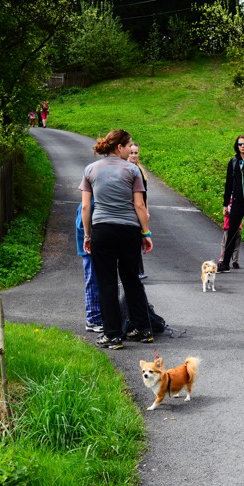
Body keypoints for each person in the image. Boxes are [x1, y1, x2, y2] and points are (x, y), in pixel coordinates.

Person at [79, 129, 154, 349]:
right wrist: (146, 233)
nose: (132, 149)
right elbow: (139, 205)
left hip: (102, 230)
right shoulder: (133, 170)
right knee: (132, 279)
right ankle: (143, 328)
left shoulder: (91, 169)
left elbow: (86, 206)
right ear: (119, 147)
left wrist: (87, 234)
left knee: (107, 283)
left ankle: (112, 335)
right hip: (129, 230)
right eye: (129, 145)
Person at [218, 134, 244, 275]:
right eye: (239, 144)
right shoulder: (234, 161)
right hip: (237, 202)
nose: (242, 147)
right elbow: (228, 184)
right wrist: (225, 204)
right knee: (232, 231)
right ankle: (225, 264)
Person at [76, 199, 102, 333]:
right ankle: (93, 318)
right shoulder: (89, 203)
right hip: (89, 247)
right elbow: (82, 223)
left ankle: (97, 316)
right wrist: (88, 237)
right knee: (93, 281)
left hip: (92, 244)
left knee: (96, 280)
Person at [128, 142, 148, 280]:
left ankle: (138, 270)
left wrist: (147, 210)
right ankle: (136, 270)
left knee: (138, 239)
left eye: (136, 153)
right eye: (132, 153)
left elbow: (145, 194)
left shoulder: (140, 170)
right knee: (134, 240)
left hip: (141, 208)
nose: (134, 155)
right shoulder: (128, 169)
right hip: (131, 209)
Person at [218, 196, 242, 268]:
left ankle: (222, 259)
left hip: (228, 227)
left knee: (224, 244)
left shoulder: (227, 204)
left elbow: (226, 213)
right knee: (236, 245)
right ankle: (235, 261)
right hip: (238, 227)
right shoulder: (240, 203)